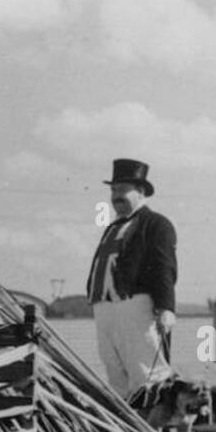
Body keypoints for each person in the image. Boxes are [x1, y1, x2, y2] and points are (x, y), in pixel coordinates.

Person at [85, 159, 177, 399]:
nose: (116, 196)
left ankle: (152, 430)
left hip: (134, 307)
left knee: (147, 374)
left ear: (141, 192)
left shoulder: (156, 224)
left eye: (123, 190)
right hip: (105, 309)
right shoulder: (113, 227)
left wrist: (166, 307)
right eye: (114, 190)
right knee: (116, 377)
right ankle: (124, 430)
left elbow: (164, 266)